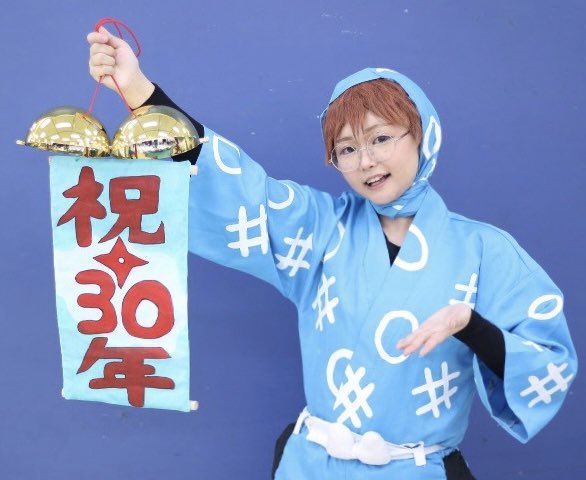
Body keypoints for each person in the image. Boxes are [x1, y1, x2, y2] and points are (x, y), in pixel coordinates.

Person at [87, 27, 577, 480]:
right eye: (346, 149)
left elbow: (550, 361)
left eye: (381, 138)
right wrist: (140, 91)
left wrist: (470, 325)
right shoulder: (321, 229)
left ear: (422, 133)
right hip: (312, 465)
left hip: (417, 469)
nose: (366, 161)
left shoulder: (486, 251)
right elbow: (238, 185)